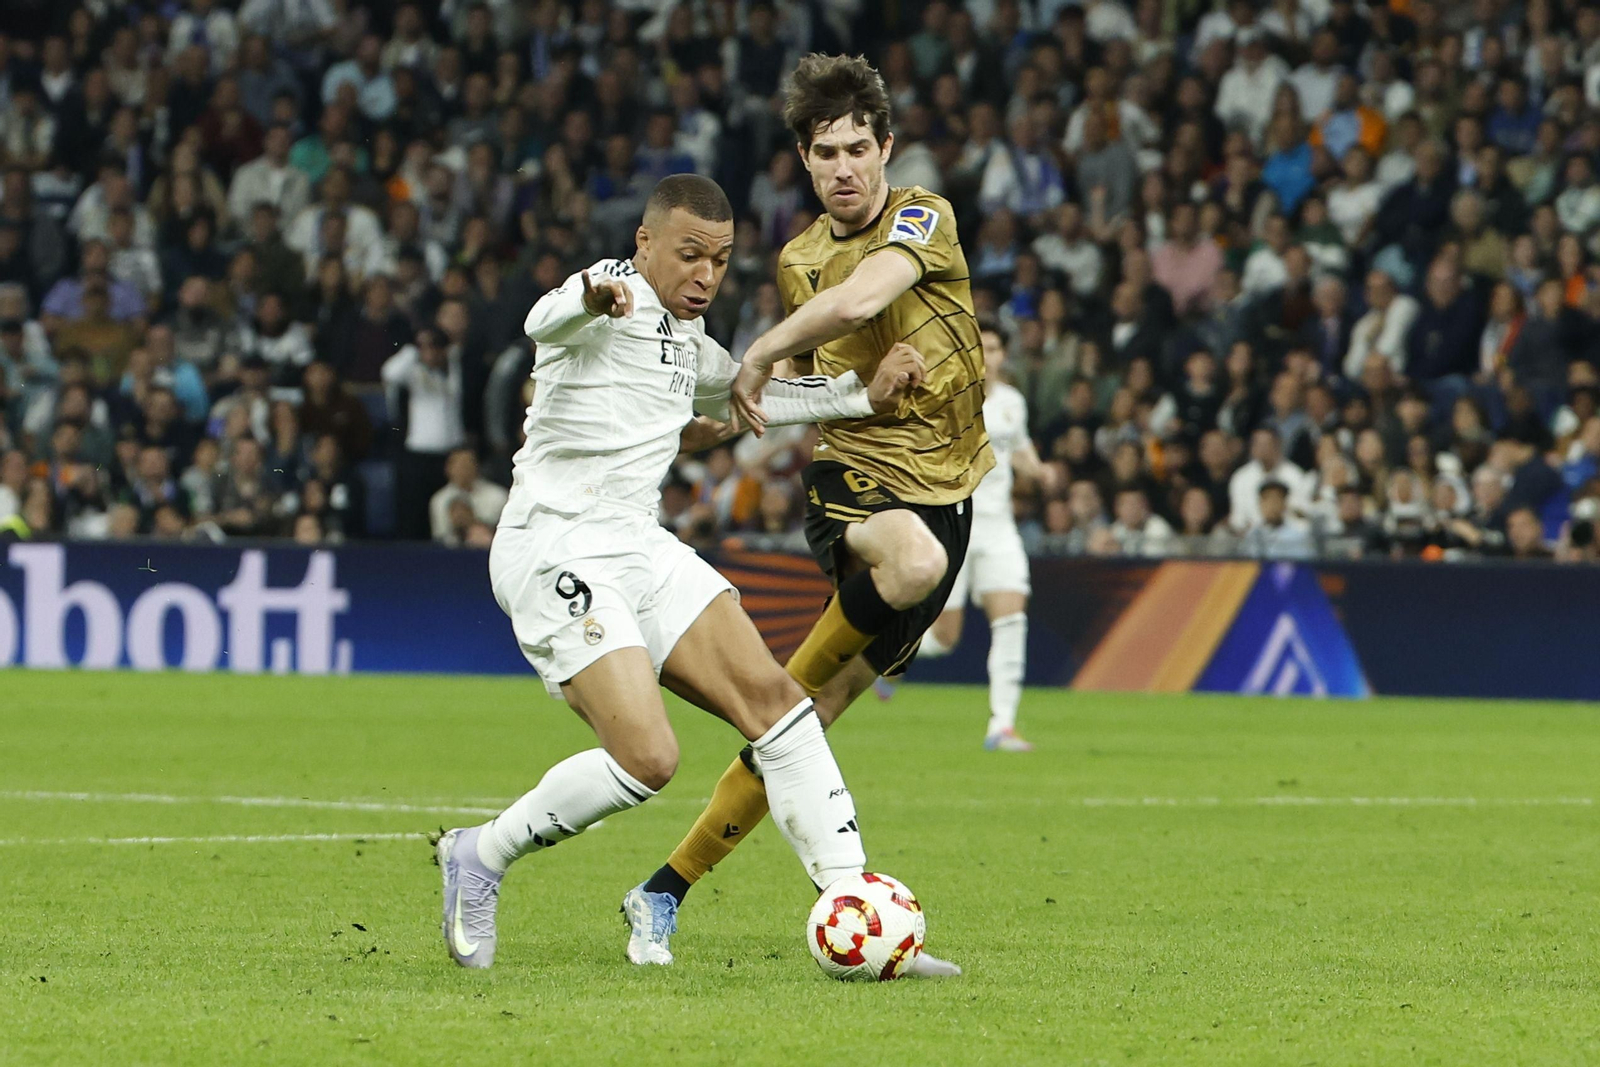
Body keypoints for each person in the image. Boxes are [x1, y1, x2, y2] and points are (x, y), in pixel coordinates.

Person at [434, 175, 924, 973]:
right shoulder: (609, 293)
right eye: (689, 254)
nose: (705, 274)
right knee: (648, 759)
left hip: (638, 544)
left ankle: (855, 902)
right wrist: (593, 298)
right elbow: (542, 319)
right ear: (645, 244)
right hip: (556, 545)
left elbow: (752, 396)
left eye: (721, 261)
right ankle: (480, 854)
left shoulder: (686, 343)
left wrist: (860, 397)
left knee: (778, 704)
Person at [630, 54, 986, 978]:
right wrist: (723, 418)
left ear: (887, 149)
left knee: (800, 719)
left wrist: (760, 357)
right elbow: (800, 395)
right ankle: (843, 893)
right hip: (856, 490)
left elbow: (861, 299)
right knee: (908, 568)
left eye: (858, 148)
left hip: (949, 493)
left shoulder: (923, 217)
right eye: (825, 152)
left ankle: (664, 888)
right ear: (804, 158)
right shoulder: (797, 259)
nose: (843, 168)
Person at [905, 322, 1050, 751]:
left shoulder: (1011, 404)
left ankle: (1001, 725)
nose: (989, 355)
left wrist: (1039, 470)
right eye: (981, 347)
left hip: (999, 526)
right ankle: (886, 658)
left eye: (996, 347)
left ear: (1004, 355)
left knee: (1011, 620)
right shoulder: (943, 398)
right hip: (952, 524)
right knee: (945, 638)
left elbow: (1017, 450)